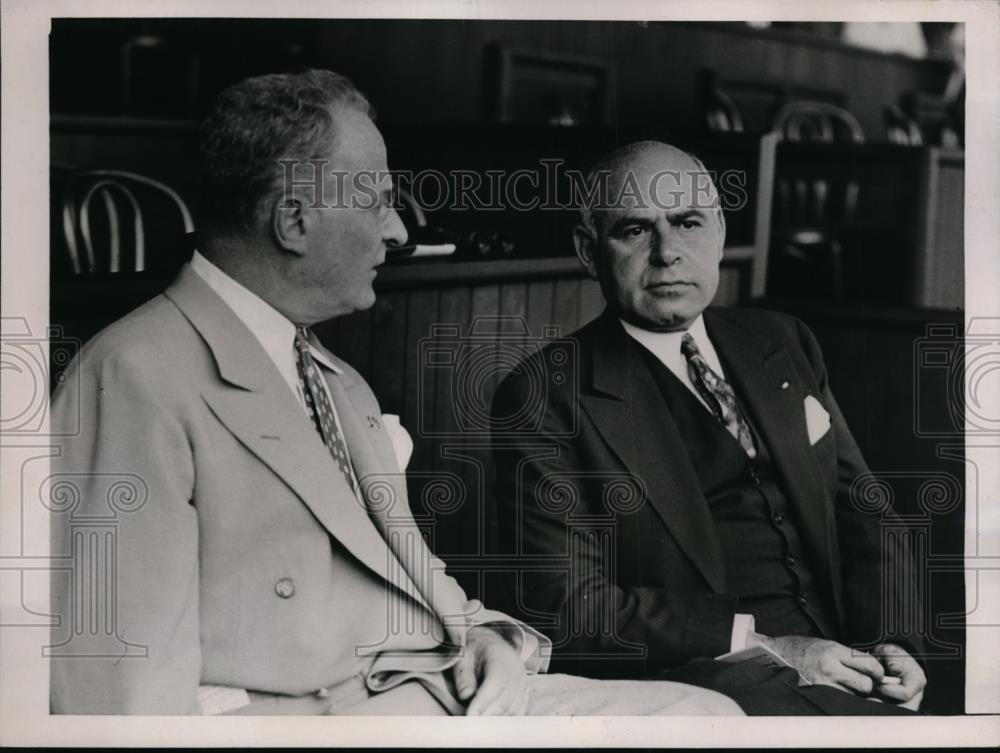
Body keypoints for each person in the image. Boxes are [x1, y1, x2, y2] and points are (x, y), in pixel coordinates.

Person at [48, 72, 740, 717]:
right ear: (293, 222)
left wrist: (486, 637)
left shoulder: (331, 375)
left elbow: (404, 573)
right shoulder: (133, 374)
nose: (399, 230)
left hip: (448, 683)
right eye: (379, 200)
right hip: (337, 720)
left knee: (708, 716)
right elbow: (120, 686)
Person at [491, 140, 927, 715]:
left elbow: (864, 508)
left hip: (851, 658)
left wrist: (894, 641)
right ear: (588, 251)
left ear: (719, 233)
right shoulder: (545, 393)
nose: (667, 253)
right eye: (634, 230)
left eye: (687, 222)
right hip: (709, 682)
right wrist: (767, 646)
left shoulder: (782, 340)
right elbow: (568, 606)